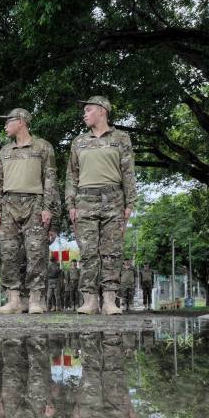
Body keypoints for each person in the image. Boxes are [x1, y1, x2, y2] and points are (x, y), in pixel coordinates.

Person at [66, 96, 136, 315]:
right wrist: (71, 203)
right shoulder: (78, 141)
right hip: (85, 200)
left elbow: (128, 172)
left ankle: (109, 300)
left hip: (113, 198)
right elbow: (71, 175)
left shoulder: (121, 138)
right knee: (87, 252)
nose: (84, 114)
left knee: (112, 252)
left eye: (88, 110)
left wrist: (129, 203)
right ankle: (89, 300)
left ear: (102, 111)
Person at [0, 108, 58, 314]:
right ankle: (13, 299)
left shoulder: (43, 147)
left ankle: (35, 299)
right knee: (9, 253)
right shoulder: (4, 151)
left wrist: (48, 208)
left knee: (36, 253)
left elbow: (50, 180)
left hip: (35, 203)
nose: (5, 125)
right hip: (8, 204)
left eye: (8, 121)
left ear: (21, 121)